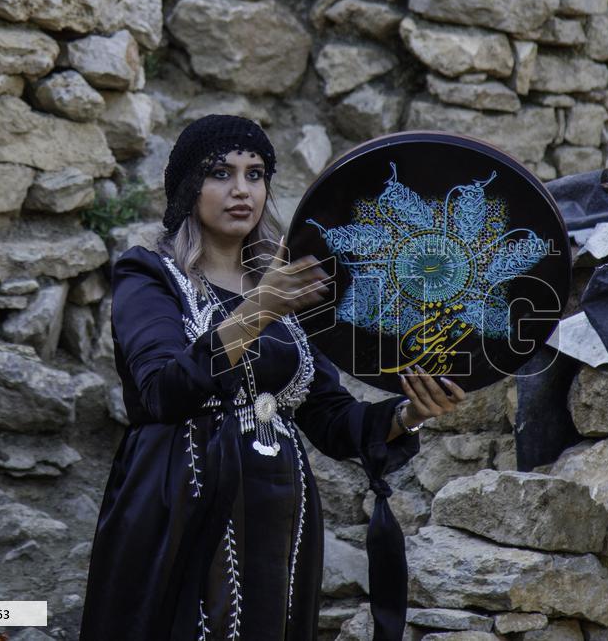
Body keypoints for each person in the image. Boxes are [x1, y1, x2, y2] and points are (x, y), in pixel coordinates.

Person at [80, 115, 466, 640]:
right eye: (220, 173)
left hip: (280, 514)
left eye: (255, 174)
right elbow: (163, 389)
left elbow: (330, 418)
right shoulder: (150, 274)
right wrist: (259, 309)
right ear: (188, 188)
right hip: (177, 505)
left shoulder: (284, 289)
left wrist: (409, 413)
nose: (241, 190)